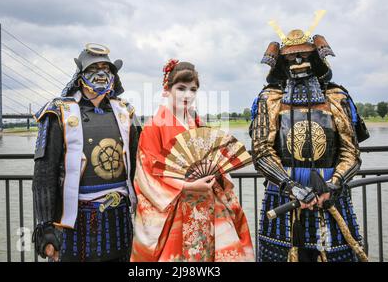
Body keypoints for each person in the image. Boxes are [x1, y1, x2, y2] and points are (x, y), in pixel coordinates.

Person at [250, 11, 370, 262]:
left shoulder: (337, 98)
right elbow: (261, 151)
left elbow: (351, 152)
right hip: (282, 194)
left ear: (316, 58)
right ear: (281, 63)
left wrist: (333, 185)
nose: (298, 61)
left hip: (331, 195)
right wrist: (290, 186)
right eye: (291, 57)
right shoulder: (269, 100)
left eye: (304, 55)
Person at [131, 59, 254, 262]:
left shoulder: (197, 123)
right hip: (175, 208)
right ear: (167, 89)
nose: (187, 95)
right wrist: (185, 186)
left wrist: (215, 176)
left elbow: (214, 159)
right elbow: (147, 174)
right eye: (181, 88)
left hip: (206, 204)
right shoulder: (154, 126)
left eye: (193, 89)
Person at [32, 43, 140, 262]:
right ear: (80, 75)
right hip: (76, 222)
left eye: (106, 68)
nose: (101, 73)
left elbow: (140, 165)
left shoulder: (126, 112)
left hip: (120, 220)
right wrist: (45, 228)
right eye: (94, 68)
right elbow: (45, 176)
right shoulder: (58, 112)